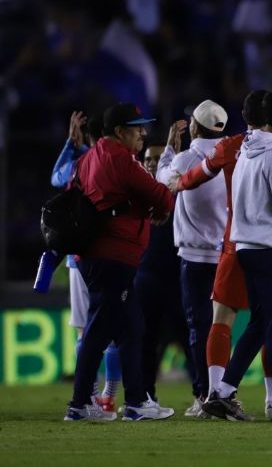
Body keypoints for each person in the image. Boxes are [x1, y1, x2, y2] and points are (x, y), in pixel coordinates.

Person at [171, 90, 272, 416]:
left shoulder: (236, 149)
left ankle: (219, 391)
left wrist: (172, 181)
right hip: (270, 245)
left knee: (244, 322)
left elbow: (193, 178)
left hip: (237, 245)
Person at [65, 102, 175, 421]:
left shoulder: (88, 158)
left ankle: (137, 403)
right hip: (113, 255)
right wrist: (151, 207)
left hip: (98, 255)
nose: (143, 132)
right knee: (100, 330)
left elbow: (96, 198)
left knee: (131, 328)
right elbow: (163, 196)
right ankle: (81, 404)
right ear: (119, 131)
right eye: (136, 127)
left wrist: (138, 208)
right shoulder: (121, 159)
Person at [157, 100, 229, 414]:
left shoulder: (186, 159)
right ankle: (224, 390)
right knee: (223, 327)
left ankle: (204, 396)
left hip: (195, 258)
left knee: (198, 328)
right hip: (229, 255)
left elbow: (161, 181)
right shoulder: (234, 158)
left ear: (195, 128)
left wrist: (169, 150)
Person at [51, 111, 125, 412]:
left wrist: (71, 144)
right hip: (113, 254)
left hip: (78, 257)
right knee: (114, 329)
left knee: (85, 329)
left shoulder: (78, 166)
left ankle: (92, 395)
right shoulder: (115, 163)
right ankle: (109, 395)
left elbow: (56, 178)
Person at [136, 143, 195, 407]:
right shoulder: (135, 192)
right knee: (146, 342)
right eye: (149, 158)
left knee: (189, 338)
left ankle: (202, 396)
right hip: (145, 277)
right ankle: (145, 397)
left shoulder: (179, 191)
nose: (153, 162)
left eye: (159, 158)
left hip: (178, 277)